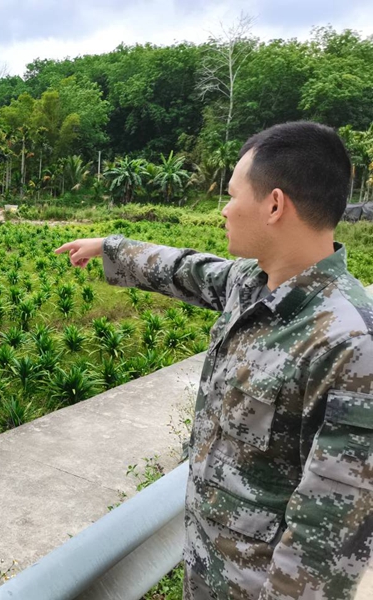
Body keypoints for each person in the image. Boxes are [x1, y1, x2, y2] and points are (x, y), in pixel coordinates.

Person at [54, 121, 373, 600]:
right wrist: (109, 248)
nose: (223, 209)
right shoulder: (252, 283)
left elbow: (323, 545)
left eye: (231, 195)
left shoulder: (349, 343)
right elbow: (184, 268)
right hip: (208, 569)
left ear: (274, 204)